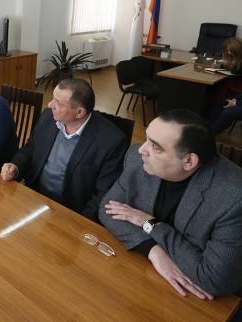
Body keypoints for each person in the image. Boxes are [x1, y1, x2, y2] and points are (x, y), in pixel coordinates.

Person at [100, 110, 242, 299]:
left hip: (196, 296)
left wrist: (150, 224)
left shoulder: (234, 198)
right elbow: (108, 209)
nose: (141, 149)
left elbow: (214, 279)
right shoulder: (137, 158)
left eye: (155, 146)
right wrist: (152, 250)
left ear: (189, 161)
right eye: (146, 138)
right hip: (144, 275)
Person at [0, 78, 127, 222]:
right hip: (34, 199)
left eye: (58, 103)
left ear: (80, 112)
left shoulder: (112, 141)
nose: (50, 105)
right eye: (53, 98)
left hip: (71, 213)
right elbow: (30, 149)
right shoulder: (48, 116)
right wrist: (15, 166)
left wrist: (78, 223)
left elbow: (103, 196)